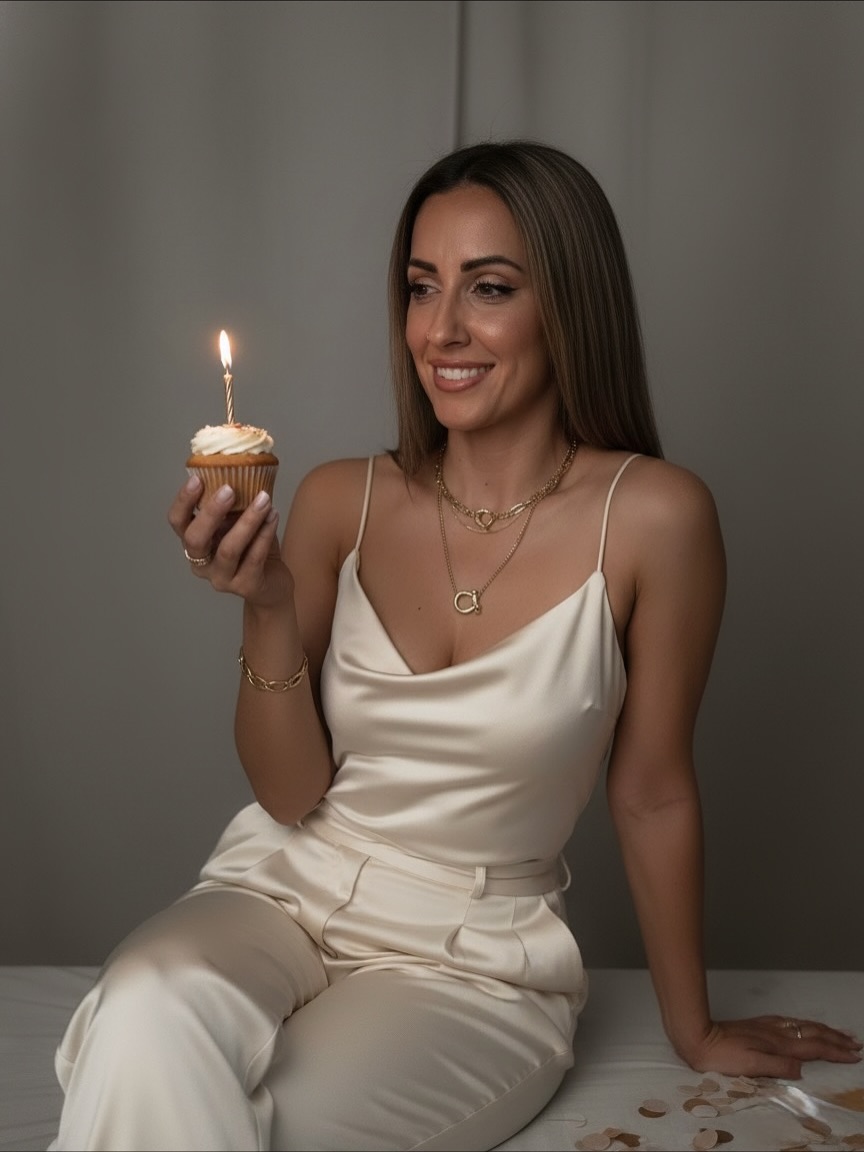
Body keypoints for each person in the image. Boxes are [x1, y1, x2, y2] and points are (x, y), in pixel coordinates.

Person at [49, 141, 860, 1152]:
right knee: (141, 1011)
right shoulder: (341, 498)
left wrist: (692, 1027)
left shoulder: (655, 517)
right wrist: (266, 604)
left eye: (490, 288)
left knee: (270, 1126)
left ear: (569, 304)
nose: (441, 330)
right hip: (278, 889)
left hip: (473, 957)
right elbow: (290, 795)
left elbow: (652, 791)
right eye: (421, 286)